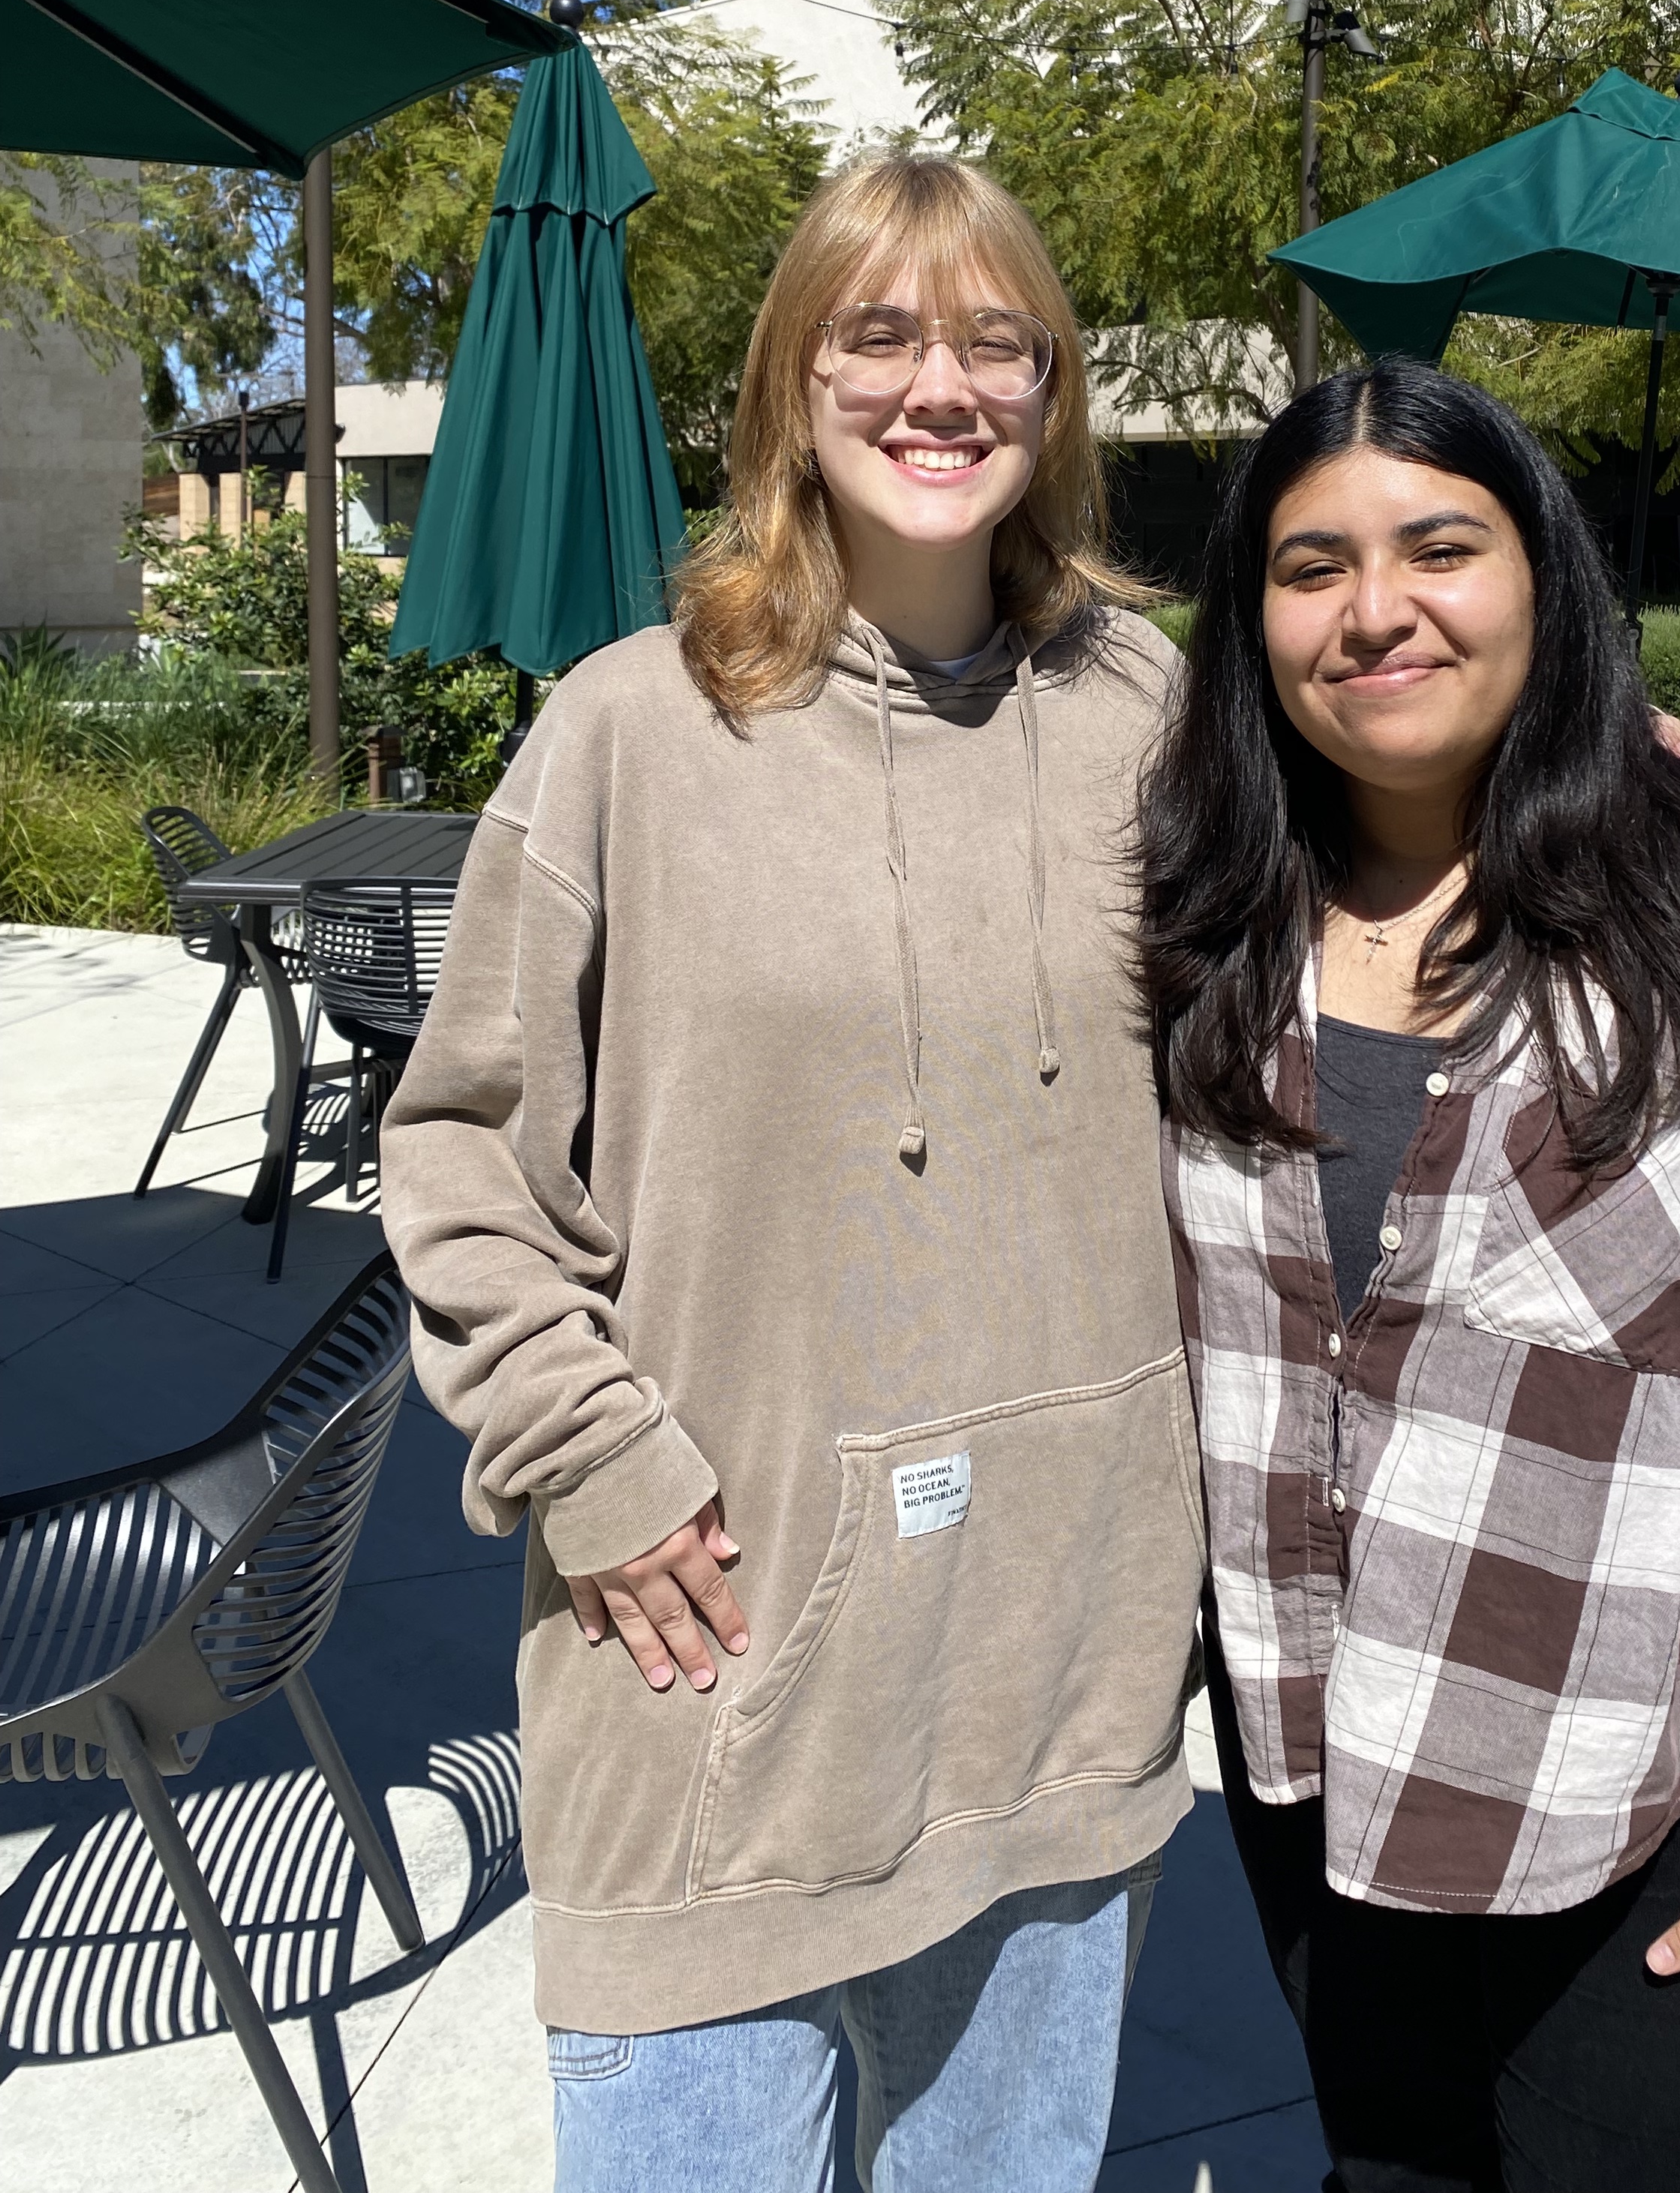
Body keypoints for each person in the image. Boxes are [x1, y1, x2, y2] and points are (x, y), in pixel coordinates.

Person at [381, 154, 1209, 2193]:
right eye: (882, 333)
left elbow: (1372, 917)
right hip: (719, 1679)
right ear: (786, 386)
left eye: (997, 339)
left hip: (1059, 1673)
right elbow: (460, 1143)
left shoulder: (1156, 712)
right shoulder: (629, 729)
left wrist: (1623, 790)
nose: (944, 386)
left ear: (1057, 391)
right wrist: (590, 1454)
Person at [1136, 359, 1680, 2193]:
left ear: (1544, 576)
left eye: (1440, 547)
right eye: (1311, 567)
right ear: (1251, 624)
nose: (1376, 609)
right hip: (1314, 1765)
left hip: (1648, 1818)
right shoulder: (1200, 922)